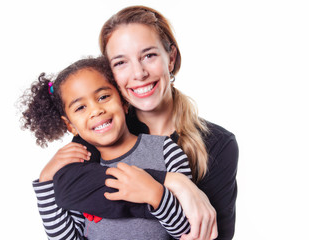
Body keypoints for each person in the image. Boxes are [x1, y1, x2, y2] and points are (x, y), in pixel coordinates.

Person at [32, 5, 238, 240]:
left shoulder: (217, 144)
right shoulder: (104, 128)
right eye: (121, 62)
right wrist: (171, 182)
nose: (139, 73)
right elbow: (68, 189)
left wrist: (157, 194)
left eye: (149, 55)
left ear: (170, 58)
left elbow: (209, 234)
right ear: (110, 74)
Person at [21, 56, 196, 239]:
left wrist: (156, 195)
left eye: (103, 97)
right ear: (71, 126)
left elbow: (189, 228)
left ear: (123, 101)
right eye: (80, 108)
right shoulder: (80, 174)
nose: (96, 110)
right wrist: (46, 180)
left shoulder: (165, 151)